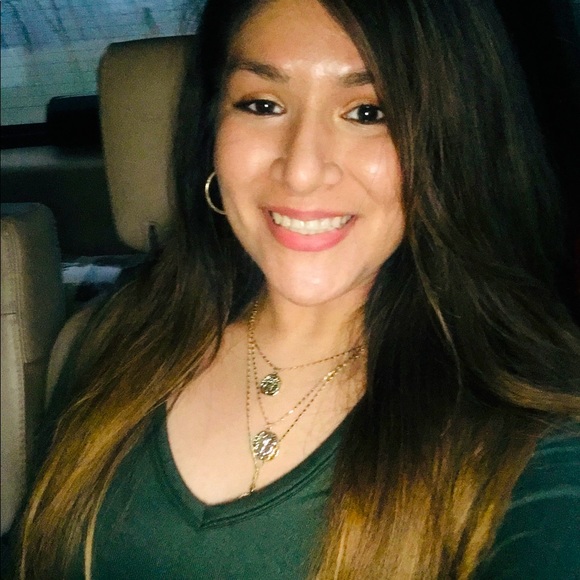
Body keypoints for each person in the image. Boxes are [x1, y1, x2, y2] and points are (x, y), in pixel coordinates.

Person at [18, 0, 580, 578]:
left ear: (453, 145)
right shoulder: (114, 337)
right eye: (262, 105)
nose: (302, 170)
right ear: (212, 128)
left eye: (368, 112)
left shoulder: (526, 422)